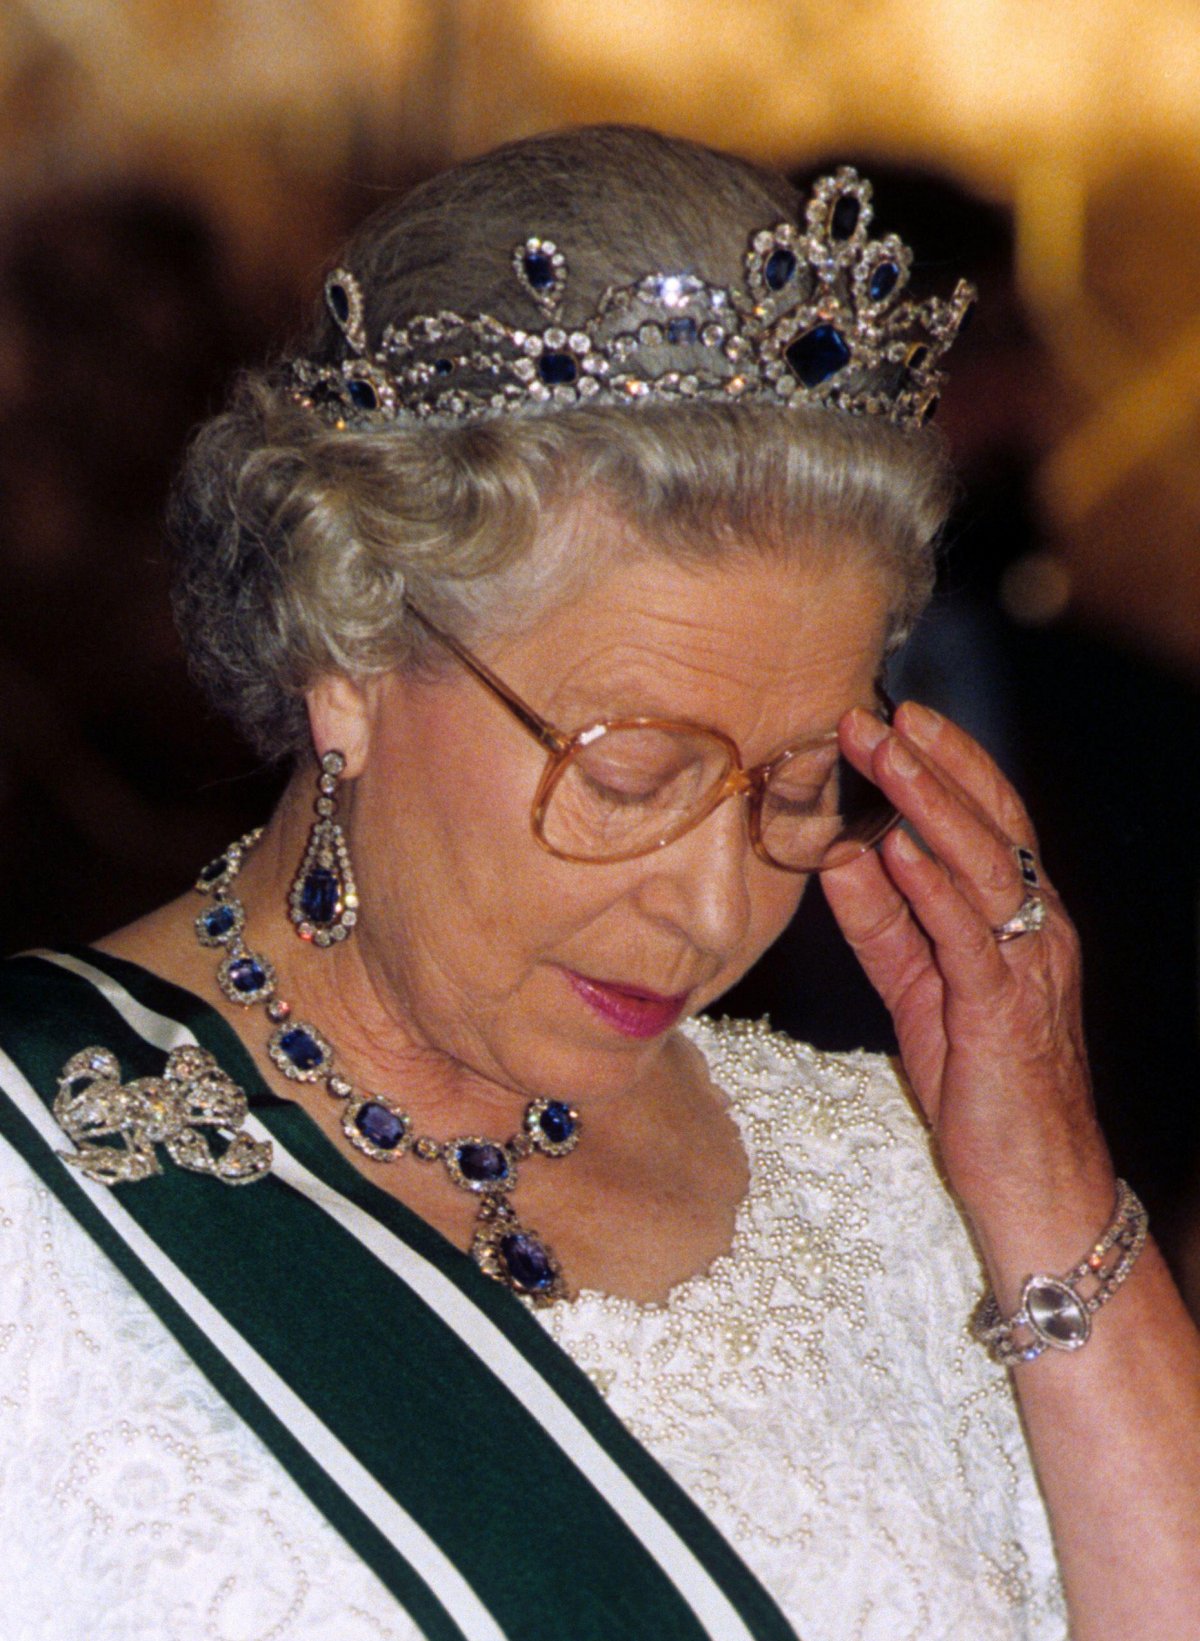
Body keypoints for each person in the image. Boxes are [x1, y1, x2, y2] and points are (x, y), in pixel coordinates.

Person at [1, 126, 1196, 1641]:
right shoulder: (30, 1193)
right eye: (630, 777)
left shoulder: (894, 1171)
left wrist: (1046, 1177)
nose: (711, 909)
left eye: (795, 788)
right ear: (350, 648)